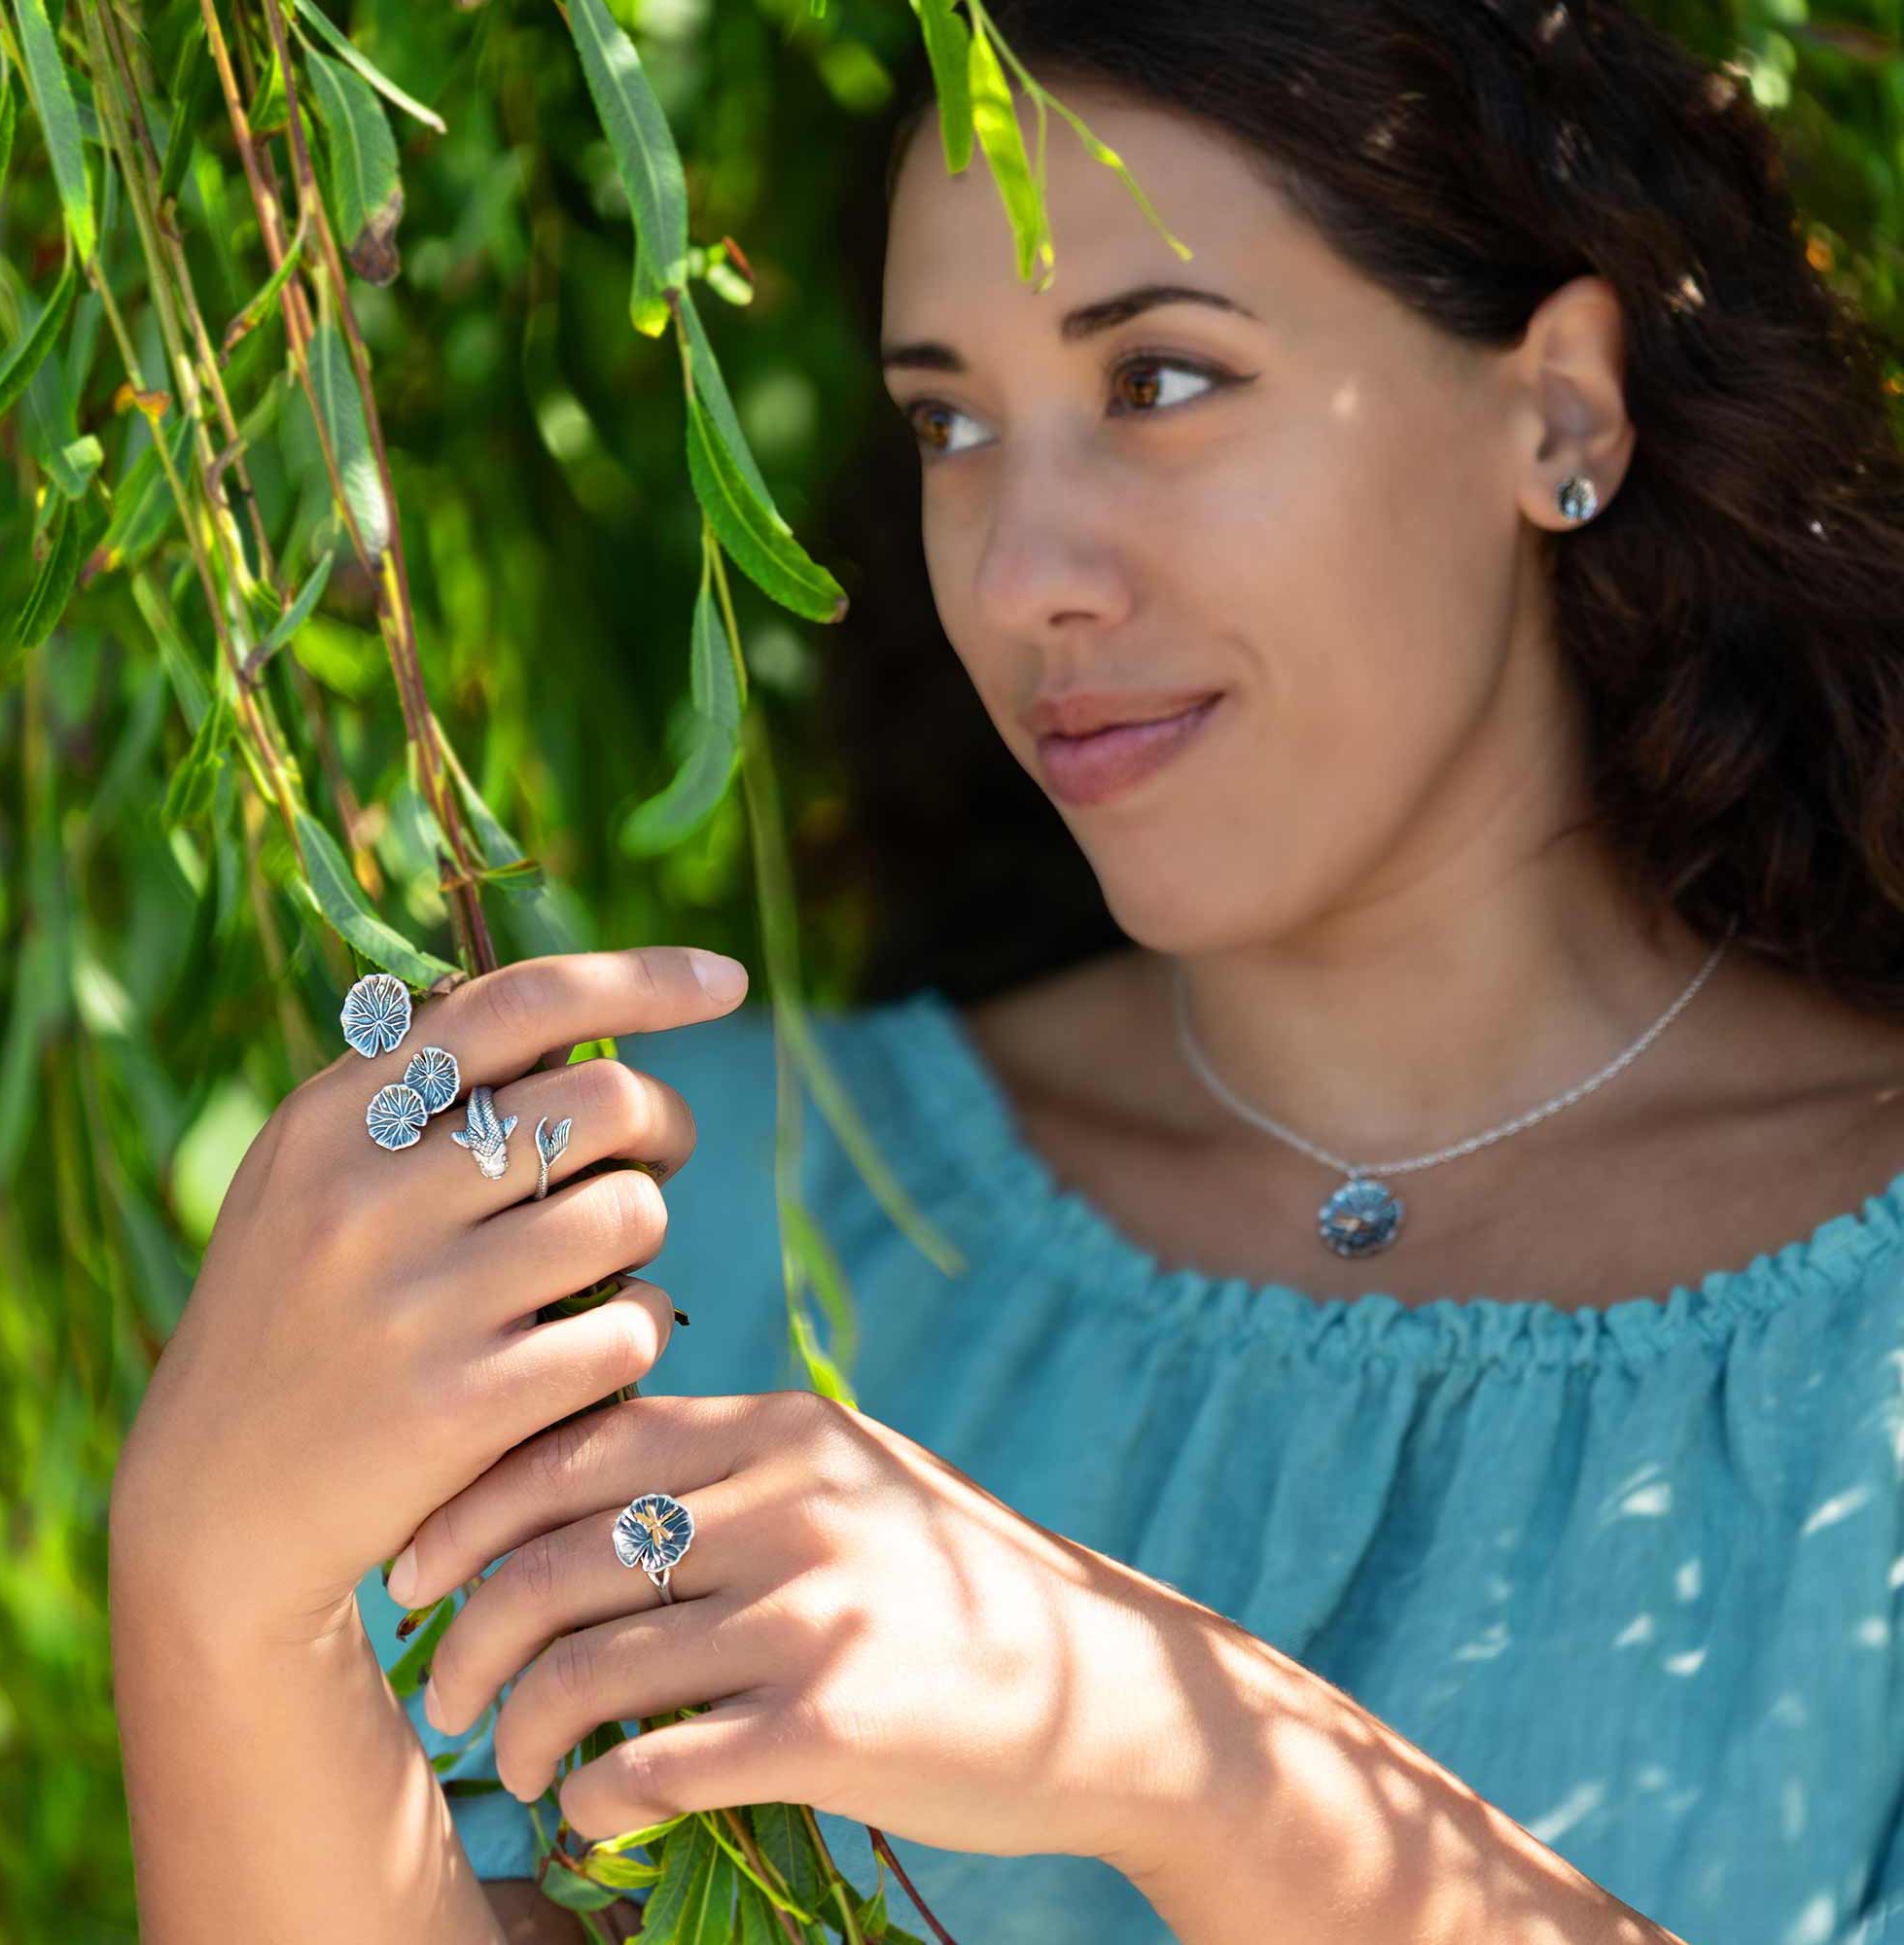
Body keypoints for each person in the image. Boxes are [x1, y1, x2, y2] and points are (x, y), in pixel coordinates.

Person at [109, 2, 1904, 1941]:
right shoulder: (689, 1231)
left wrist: (1178, 1743)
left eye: (1158, 379)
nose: (1026, 567)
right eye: (948, 422)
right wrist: (215, 1595)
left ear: (1557, 410)